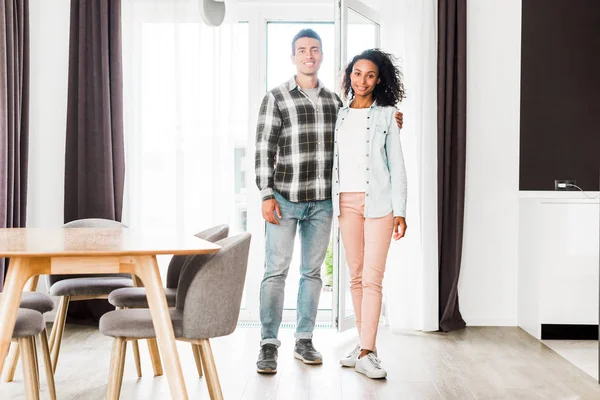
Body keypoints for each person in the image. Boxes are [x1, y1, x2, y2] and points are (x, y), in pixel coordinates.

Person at [254, 30, 403, 374]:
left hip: (323, 202)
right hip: (284, 198)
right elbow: (265, 148)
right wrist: (265, 194)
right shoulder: (275, 97)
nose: (309, 55)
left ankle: (304, 339)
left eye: (315, 50)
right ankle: (268, 343)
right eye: (302, 50)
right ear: (293, 57)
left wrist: (392, 121)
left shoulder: (337, 103)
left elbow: (362, 137)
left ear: (321, 56)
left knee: (312, 274)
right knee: (275, 272)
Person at [333, 49, 407, 379]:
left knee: (373, 279)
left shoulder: (388, 116)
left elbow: (398, 167)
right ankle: (366, 347)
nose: (362, 80)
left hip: (378, 203)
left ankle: (366, 351)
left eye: (370, 75)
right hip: (344, 203)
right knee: (355, 276)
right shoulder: (338, 114)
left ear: (380, 80)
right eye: (357, 73)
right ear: (349, 75)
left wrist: (401, 211)